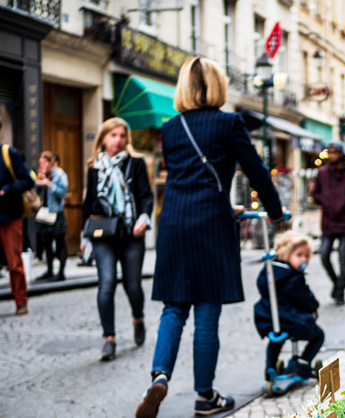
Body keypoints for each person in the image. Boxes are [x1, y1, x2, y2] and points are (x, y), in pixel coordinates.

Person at [135, 57, 283, 418]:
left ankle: (160, 376)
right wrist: (276, 213)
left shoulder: (169, 129)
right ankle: (205, 396)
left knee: (174, 307)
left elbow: (185, 178)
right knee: (206, 313)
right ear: (217, 86)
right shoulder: (229, 123)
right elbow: (256, 172)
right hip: (211, 226)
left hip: (172, 222)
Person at [82, 117, 154, 361]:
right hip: (104, 233)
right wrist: (85, 236)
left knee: (132, 285)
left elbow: (146, 195)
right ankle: (109, 339)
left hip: (132, 232)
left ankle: (138, 318)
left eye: (122, 136)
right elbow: (88, 202)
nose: (118, 140)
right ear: (103, 138)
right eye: (113, 135)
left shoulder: (135, 164)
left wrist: (143, 218)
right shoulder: (94, 167)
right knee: (107, 283)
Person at [254, 231, 324, 381]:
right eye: (299, 255)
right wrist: (313, 308)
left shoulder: (269, 270)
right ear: (286, 254)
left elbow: (261, 287)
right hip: (290, 318)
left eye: (306, 256)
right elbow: (305, 298)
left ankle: (270, 367)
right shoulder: (293, 278)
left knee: (277, 338)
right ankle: (302, 364)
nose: (303, 259)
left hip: (268, 316)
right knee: (318, 335)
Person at [311, 141, 345, 305]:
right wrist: (324, 200)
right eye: (329, 153)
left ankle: (340, 293)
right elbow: (315, 193)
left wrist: (344, 202)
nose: (331, 156)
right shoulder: (322, 172)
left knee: (342, 257)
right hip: (328, 221)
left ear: (341, 154)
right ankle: (337, 284)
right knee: (324, 255)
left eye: (334, 153)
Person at [0, 117, 34, 315]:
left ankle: (21, 301)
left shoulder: (8, 153)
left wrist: (7, 190)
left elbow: (28, 180)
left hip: (10, 216)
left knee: (14, 263)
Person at [34, 151, 69, 282]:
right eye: (40, 163)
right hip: (44, 213)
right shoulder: (42, 175)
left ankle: (61, 272)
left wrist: (49, 184)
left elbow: (62, 192)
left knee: (60, 242)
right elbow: (36, 192)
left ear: (50, 162)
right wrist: (38, 183)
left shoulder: (60, 174)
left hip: (56, 213)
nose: (41, 165)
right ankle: (49, 270)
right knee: (46, 242)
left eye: (43, 162)